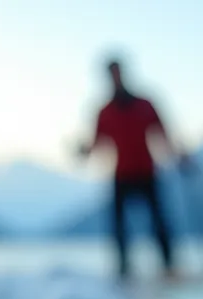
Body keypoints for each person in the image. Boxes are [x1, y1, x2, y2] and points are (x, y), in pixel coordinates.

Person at [79, 56, 192, 281]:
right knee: (118, 223)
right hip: (121, 174)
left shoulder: (145, 105)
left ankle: (168, 267)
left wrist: (180, 157)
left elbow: (164, 134)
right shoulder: (104, 112)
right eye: (112, 74)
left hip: (147, 171)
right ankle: (123, 268)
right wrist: (82, 151)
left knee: (159, 220)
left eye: (118, 72)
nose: (116, 78)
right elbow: (95, 143)